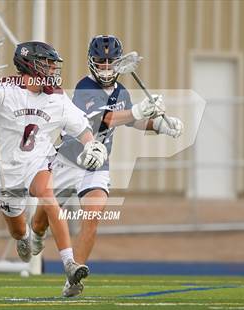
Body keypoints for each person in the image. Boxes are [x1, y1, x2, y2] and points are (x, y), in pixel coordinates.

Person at [30, 35, 184, 297]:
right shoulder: (84, 87)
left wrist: (159, 125)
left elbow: (129, 121)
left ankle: (73, 278)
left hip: (97, 165)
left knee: (92, 217)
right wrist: (138, 110)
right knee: (42, 221)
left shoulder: (122, 92)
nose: (105, 67)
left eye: (110, 61)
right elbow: (103, 119)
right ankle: (36, 233)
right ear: (92, 63)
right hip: (69, 160)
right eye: (100, 62)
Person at [0, 41, 108, 286]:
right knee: (18, 232)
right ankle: (25, 236)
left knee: (48, 196)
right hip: (5, 172)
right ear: (29, 64)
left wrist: (91, 144)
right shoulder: (3, 90)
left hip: (36, 161)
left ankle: (70, 264)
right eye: (47, 64)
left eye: (53, 65)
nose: (52, 70)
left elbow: (81, 128)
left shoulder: (56, 98)